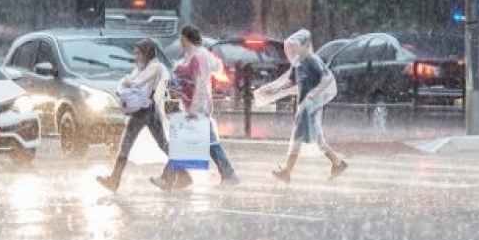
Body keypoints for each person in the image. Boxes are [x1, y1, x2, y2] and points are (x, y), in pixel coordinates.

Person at [150, 24, 241, 191]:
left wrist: (193, 108)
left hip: (194, 107)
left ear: (185, 38)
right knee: (204, 143)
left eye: (181, 38)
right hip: (191, 106)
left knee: (186, 143)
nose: (180, 41)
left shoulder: (198, 56)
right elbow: (203, 83)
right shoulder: (196, 55)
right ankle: (227, 174)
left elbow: (200, 83)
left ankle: (170, 179)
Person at [257, 29, 348, 183]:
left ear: (306, 45)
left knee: (298, 138)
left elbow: (326, 79)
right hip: (304, 105)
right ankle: (337, 163)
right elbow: (290, 82)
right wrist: (273, 90)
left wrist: (315, 93)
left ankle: (287, 171)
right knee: (316, 138)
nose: (294, 49)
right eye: (293, 46)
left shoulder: (312, 61)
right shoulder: (298, 63)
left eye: (297, 45)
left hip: (309, 106)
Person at [96, 40, 170, 193]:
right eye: (135, 53)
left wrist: (129, 81)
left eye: (138, 53)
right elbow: (127, 81)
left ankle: (178, 173)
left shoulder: (155, 66)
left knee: (163, 145)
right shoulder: (141, 67)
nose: (135, 56)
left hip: (149, 111)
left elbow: (135, 82)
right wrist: (127, 81)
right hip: (138, 111)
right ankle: (114, 180)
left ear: (146, 53)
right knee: (126, 145)